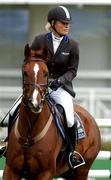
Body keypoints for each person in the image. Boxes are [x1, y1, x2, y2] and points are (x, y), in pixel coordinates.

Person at [0, 6, 81, 169]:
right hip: (38, 86)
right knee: (12, 113)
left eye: (68, 23)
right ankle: (8, 145)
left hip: (60, 89)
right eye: (63, 23)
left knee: (70, 118)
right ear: (52, 23)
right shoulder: (40, 40)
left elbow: (73, 70)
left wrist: (58, 82)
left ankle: (72, 153)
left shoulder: (73, 45)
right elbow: (29, 62)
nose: (67, 26)